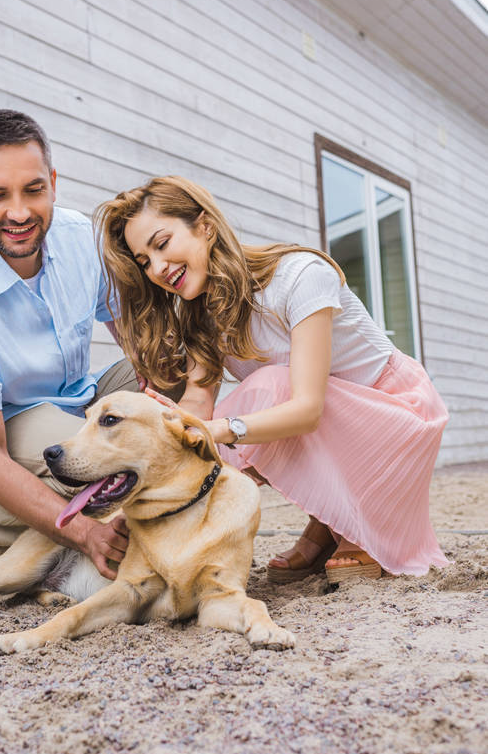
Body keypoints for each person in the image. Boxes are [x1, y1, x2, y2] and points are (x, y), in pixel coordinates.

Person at [94, 175, 449, 582]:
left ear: (205, 226)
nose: (157, 268)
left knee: (269, 387)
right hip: (339, 424)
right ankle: (327, 524)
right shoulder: (201, 315)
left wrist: (220, 430)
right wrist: (168, 438)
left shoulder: (298, 276)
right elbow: (197, 405)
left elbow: (307, 410)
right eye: (144, 261)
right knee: (205, 437)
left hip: (398, 419)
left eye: (162, 244)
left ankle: (349, 521)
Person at [0, 109, 140, 578]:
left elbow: (141, 347)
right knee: (82, 464)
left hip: (75, 402)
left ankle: (71, 508)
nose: (19, 213)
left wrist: (170, 411)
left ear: (53, 182)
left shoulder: (82, 239)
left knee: (169, 379)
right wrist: (87, 534)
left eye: (33, 190)